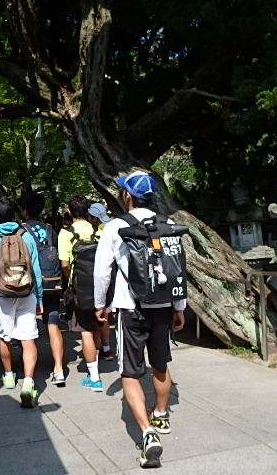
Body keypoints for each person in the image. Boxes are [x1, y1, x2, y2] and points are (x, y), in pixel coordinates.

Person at [93, 171, 186, 468]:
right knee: (160, 363)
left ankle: (147, 434)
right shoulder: (168, 225)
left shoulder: (115, 226)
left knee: (130, 372)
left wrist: (99, 304)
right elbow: (177, 269)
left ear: (127, 195)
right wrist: (179, 307)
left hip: (129, 307)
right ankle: (161, 414)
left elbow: (102, 271)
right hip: (163, 305)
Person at [0, 197, 44, 408]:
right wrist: (39, 298)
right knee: (28, 338)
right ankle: (29, 383)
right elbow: (36, 270)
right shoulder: (26, 236)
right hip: (27, 293)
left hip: (2, 295)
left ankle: (8, 376)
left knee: (4, 337)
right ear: (14, 214)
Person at [18, 191, 66, 386]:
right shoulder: (50, 229)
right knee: (53, 324)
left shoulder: (20, 231)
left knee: (26, 327)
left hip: (29, 285)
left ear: (24, 210)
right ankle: (59, 369)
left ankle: (29, 369)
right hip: (51, 283)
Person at [58, 194, 103, 392]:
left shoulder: (66, 233)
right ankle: (97, 361)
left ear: (69, 211)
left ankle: (94, 377)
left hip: (80, 288)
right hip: (100, 286)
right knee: (97, 326)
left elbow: (64, 264)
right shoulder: (97, 230)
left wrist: (70, 279)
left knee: (85, 330)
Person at [87, 203, 115, 362]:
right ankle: (107, 348)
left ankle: (96, 354)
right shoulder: (112, 227)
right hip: (113, 279)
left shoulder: (97, 233)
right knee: (106, 317)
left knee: (97, 318)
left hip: (97, 279)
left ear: (93, 218)